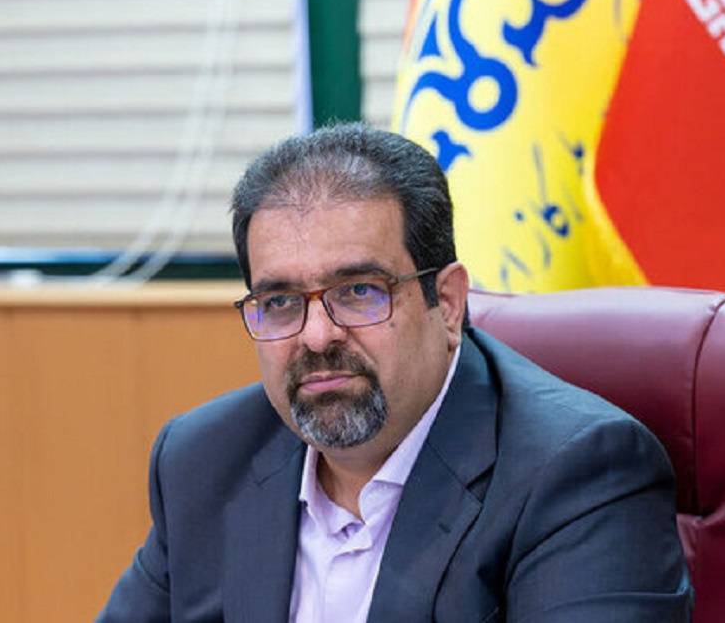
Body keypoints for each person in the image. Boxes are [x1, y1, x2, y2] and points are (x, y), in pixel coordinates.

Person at [98, 123, 692, 622]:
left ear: (448, 302)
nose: (317, 335)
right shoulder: (204, 459)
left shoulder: (578, 474)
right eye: (280, 301)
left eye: (359, 291)